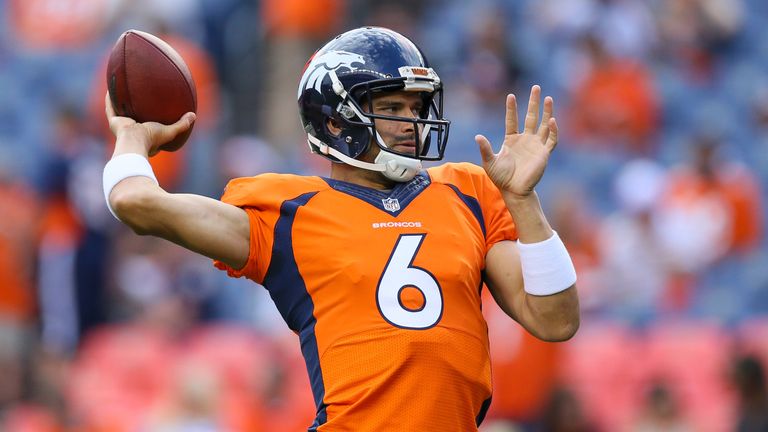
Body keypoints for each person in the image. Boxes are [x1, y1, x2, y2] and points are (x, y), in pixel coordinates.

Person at [102, 26, 580, 432]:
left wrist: (523, 201)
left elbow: (555, 320)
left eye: (416, 108)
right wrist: (131, 136)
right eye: (393, 108)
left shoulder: (468, 192)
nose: (412, 123)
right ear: (334, 122)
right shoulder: (287, 211)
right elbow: (135, 201)